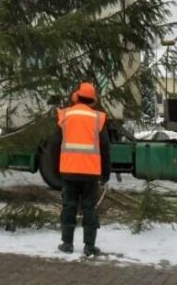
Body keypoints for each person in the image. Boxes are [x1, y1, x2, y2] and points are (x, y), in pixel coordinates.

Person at [54, 81, 110, 256]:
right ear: (93, 100)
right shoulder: (98, 118)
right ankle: (89, 246)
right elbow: (105, 148)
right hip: (90, 172)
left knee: (69, 206)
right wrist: (106, 172)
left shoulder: (65, 115)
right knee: (89, 208)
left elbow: (55, 145)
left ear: (76, 97)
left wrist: (57, 170)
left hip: (69, 170)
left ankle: (67, 243)